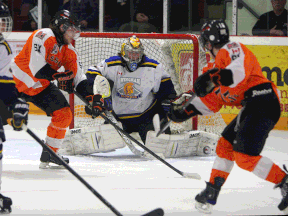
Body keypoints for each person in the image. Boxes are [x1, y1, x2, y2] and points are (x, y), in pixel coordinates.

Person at [167, 19, 288, 214]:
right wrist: (184, 113)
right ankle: (212, 191)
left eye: (205, 41)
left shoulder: (231, 48)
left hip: (263, 99)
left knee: (245, 158)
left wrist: (213, 77)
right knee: (225, 145)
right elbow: (213, 101)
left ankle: (285, 181)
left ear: (209, 41)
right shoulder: (214, 67)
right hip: (253, 105)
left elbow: (237, 73)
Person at [11, 9, 104, 169]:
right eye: (71, 30)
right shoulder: (43, 35)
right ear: (61, 27)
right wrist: (59, 77)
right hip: (14, 82)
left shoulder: (69, 51)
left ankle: (50, 153)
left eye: (76, 31)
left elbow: (79, 79)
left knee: (64, 114)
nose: (73, 35)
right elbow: (36, 68)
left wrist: (92, 98)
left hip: (39, 86)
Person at [85, 35, 176, 144]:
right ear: (124, 52)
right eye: (131, 53)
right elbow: (91, 72)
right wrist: (95, 96)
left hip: (146, 117)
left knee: (159, 144)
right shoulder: (112, 65)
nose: (133, 57)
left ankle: (161, 131)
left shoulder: (153, 67)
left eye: (137, 53)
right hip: (118, 118)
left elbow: (166, 86)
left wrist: (168, 101)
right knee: (103, 143)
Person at [0, 2, 31, 213]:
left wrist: (15, 103)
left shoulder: (3, 48)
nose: (3, 26)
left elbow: (4, 85)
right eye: (0, 22)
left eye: (3, 22)